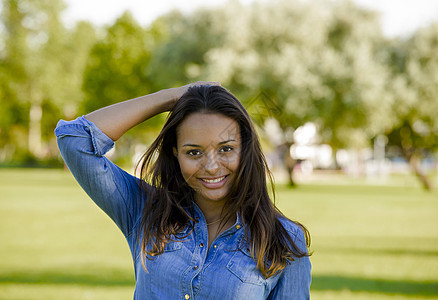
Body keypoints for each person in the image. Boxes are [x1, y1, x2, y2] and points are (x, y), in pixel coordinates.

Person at [55, 82, 312, 299]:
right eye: (194, 152)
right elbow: (75, 138)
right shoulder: (144, 210)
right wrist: (172, 97)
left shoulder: (284, 240)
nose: (211, 167)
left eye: (226, 149)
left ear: (245, 149)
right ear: (175, 154)